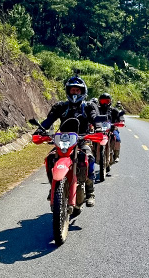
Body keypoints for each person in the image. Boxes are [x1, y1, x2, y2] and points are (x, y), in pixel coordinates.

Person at [35, 76, 99, 207]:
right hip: (62, 141)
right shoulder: (60, 107)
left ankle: (90, 191)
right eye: (72, 90)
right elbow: (49, 120)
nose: (74, 93)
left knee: (89, 158)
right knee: (50, 159)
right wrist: (40, 130)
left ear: (82, 92)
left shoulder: (88, 107)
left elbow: (94, 118)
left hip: (82, 140)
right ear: (68, 92)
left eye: (77, 90)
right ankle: (54, 186)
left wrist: (98, 126)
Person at [97, 93, 125, 164]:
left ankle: (116, 155)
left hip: (112, 128)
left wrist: (120, 122)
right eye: (103, 101)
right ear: (100, 101)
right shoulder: (97, 110)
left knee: (117, 139)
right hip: (100, 129)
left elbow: (119, 118)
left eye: (107, 101)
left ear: (110, 101)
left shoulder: (114, 110)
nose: (105, 103)